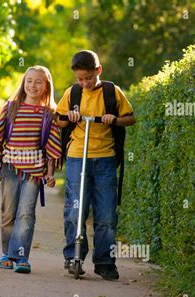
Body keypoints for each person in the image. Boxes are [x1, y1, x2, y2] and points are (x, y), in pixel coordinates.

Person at [56, 50, 136, 280]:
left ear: (98, 71)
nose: (84, 83)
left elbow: (130, 118)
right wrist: (69, 117)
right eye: (80, 79)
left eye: (88, 78)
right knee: (75, 210)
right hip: (77, 157)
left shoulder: (112, 92)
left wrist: (115, 119)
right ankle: (73, 256)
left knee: (107, 213)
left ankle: (104, 262)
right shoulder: (72, 93)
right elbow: (59, 120)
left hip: (105, 159)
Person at [0, 66, 62, 273]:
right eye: (29, 80)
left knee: (26, 214)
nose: (33, 85)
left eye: (38, 82)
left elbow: (51, 147)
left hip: (34, 172)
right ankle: (6, 253)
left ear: (46, 87)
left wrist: (50, 172)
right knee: (8, 213)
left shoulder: (49, 114)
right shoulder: (11, 107)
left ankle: (20, 256)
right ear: (23, 83)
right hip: (10, 167)